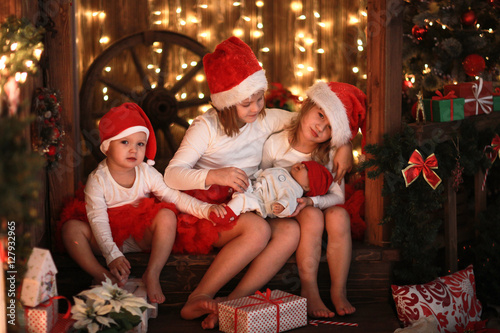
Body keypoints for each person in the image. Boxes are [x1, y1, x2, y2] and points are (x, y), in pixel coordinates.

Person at [60, 103, 225, 304]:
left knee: (167, 215)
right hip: (105, 238)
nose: (133, 149)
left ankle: (152, 273)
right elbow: (98, 220)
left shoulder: (146, 173)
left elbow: (175, 197)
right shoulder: (98, 180)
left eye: (140, 144)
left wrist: (206, 209)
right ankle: (101, 273)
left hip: (141, 237)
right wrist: (112, 255)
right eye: (124, 142)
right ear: (107, 146)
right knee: (71, 230)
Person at [261, 80, 367, 318]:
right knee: (310, 216)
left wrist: (314, 201)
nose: (320, 127)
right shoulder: (276, 144)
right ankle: (309, 288)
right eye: (320, 115)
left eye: (330, 127)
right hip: (285, 210)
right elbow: (262, 179)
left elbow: (338, 197)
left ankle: (338, 290)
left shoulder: (329, 153)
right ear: (308, 105)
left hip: (319, 205)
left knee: (340, 216)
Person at [209, 160, 337, 222]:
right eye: (304, 163)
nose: (302, 165)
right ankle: (223, 195)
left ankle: (227, 215)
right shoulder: (285, 173)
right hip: (255, 186)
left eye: (307, 169)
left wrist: (282, 206)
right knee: (239, 179)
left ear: (308, 187)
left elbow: (290, 203)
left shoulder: (294, 190)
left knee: (243, 200)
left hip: (262, 202)